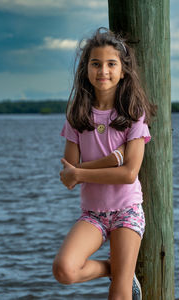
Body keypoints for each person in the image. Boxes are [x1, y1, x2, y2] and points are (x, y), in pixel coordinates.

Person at [52, 27, 156, 300]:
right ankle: (118, 268)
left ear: (123, 71)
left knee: (120, 293)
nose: (103, 70)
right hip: (93, 214)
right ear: (86, 69)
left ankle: (122, 275)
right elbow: (68, 173)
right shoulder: (78, 114)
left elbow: (128, 173)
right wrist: (107, 161)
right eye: (95, 64)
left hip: (126, 210)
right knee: (65, 270)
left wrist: (83, 172)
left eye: (112, 64)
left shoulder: (133, 114)